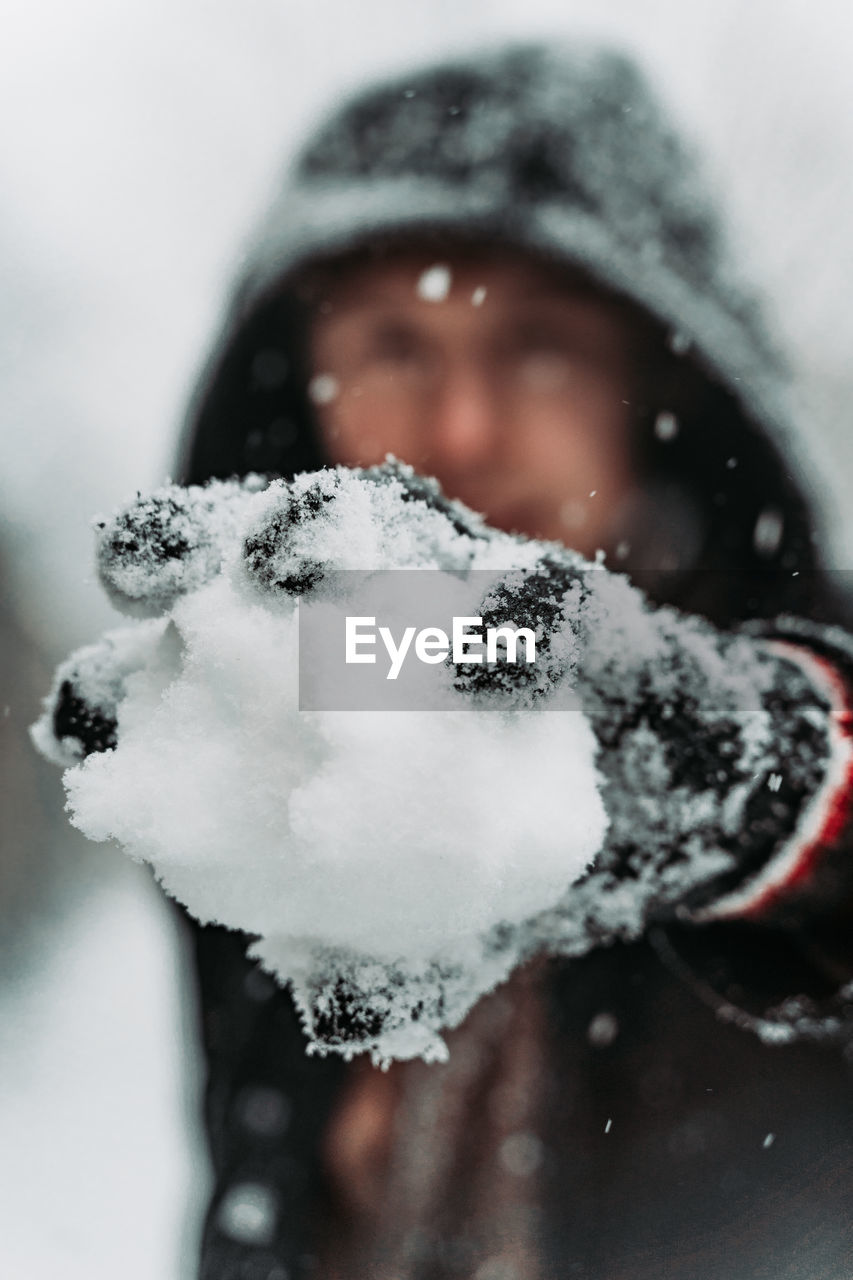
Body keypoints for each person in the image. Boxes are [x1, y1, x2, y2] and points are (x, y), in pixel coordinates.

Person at [171, 41, 852, 1279]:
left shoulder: (788, 682)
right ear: (304, 386)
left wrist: (750, 776)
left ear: (659, 385)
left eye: (538, 345)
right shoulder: (280, 767)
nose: (460, 428)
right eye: (391, 343)